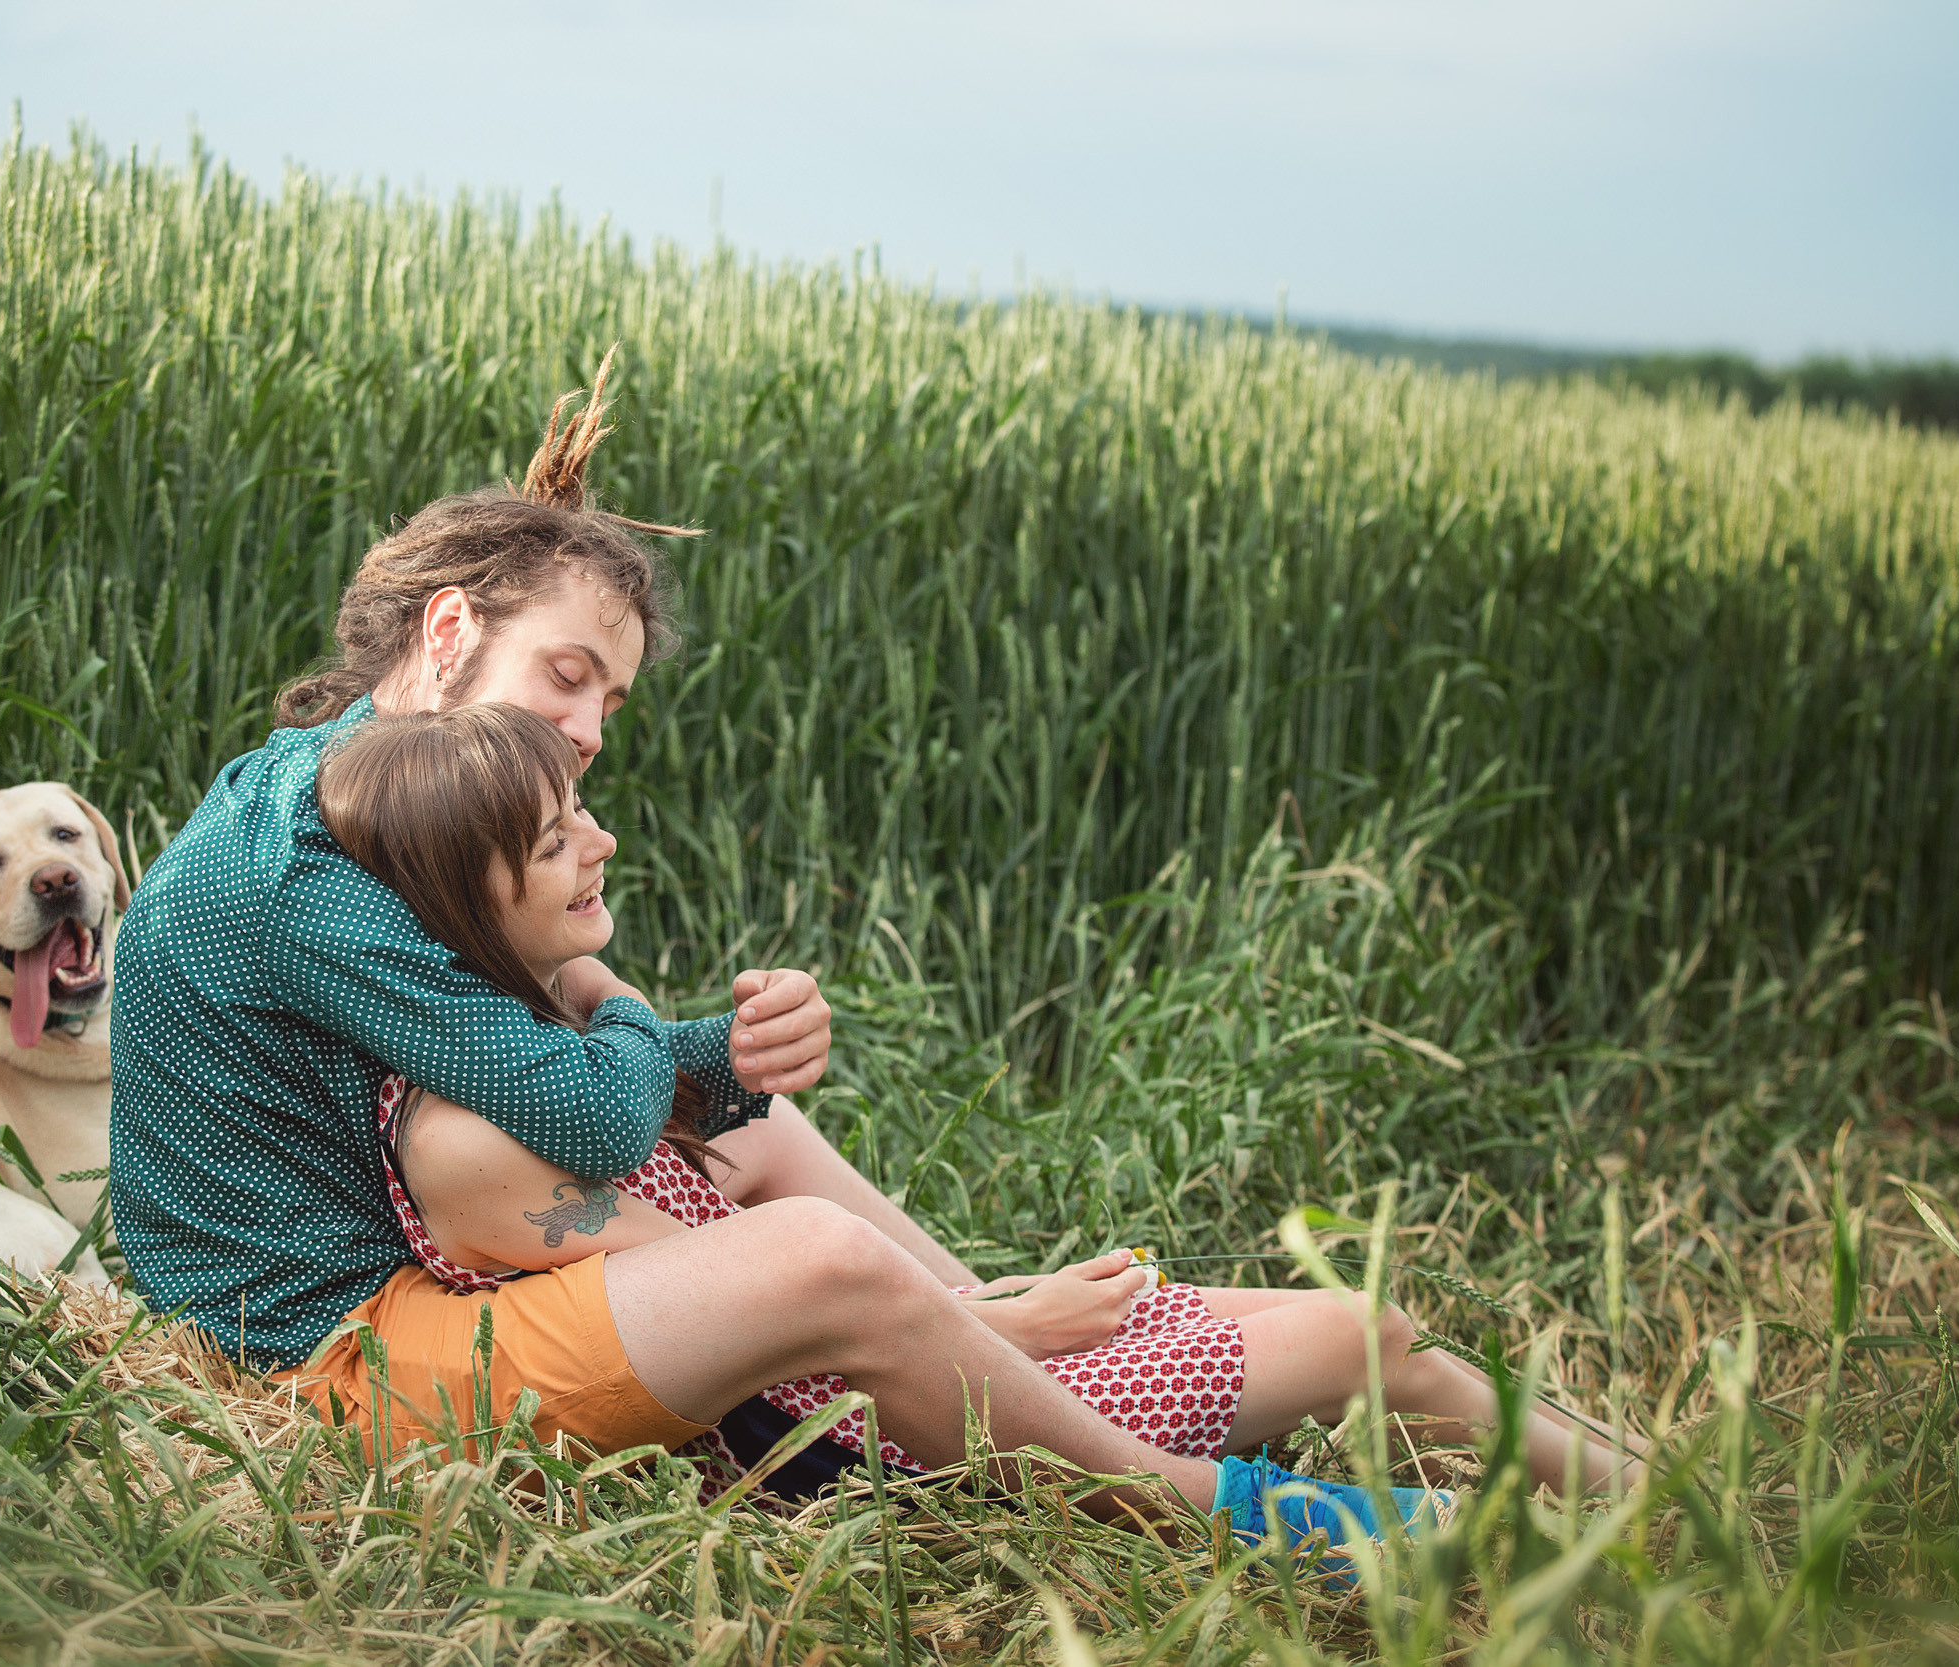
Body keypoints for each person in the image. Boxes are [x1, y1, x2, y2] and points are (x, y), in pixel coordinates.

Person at [108, 353, 1628, 1552]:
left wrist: (715, 1061)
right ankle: (1193, 1498)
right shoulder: (315, 856)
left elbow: (521, 1077)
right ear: (444, 638)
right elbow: (563, 1113)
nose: (584, 732)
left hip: (469, 1257)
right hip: (334, 1344)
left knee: (774, 1144)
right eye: (565, 677)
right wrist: (619, 1000)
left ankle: (1008, 1358)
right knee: (813, 1247)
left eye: (607, 707)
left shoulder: (357, 797)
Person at [317, 700, 1630, 1522]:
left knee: (1381, 1332)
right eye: (556, 841)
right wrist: (1015, 1318)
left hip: (921, 1365)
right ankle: (1643, 1517)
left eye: (581, 812)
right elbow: (762, 1321)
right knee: (1369, 1330)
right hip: (886, 1442)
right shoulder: (468, 1142)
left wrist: (604, 990)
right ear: (468, 902)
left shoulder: (539, 1048)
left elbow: (752, 1167)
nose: (600, 841)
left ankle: (1652, 1501)